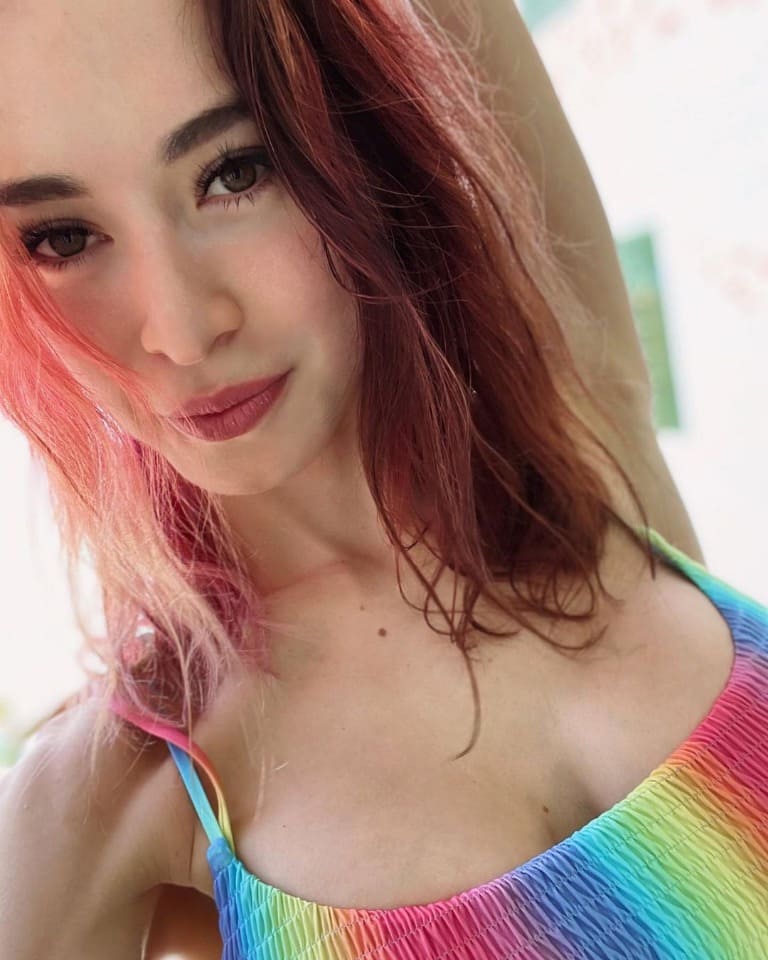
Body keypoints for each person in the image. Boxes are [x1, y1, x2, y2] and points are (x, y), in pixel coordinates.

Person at [0, 1, 765, 958]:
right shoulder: (112, 799)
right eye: (63, 239)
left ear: (360, 145)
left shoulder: (578, 444)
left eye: (236, 171)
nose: (183, 332)